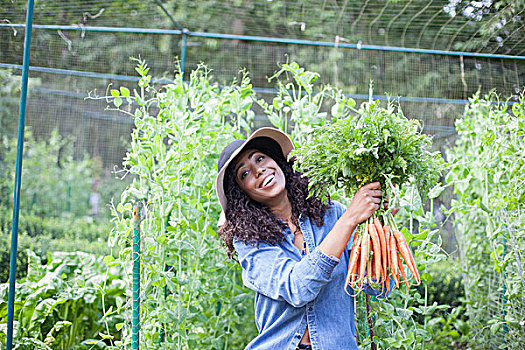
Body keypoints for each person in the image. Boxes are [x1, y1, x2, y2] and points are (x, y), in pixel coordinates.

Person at [216, 127, 393, 350]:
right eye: (245, 174)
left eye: (260, 159)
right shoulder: (250, 242)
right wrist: (350, 220)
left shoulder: (332, 214)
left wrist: (378, 228)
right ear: (243, 193)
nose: (258, 171)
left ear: (278, 161)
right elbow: (297, 287)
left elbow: (375, 287)